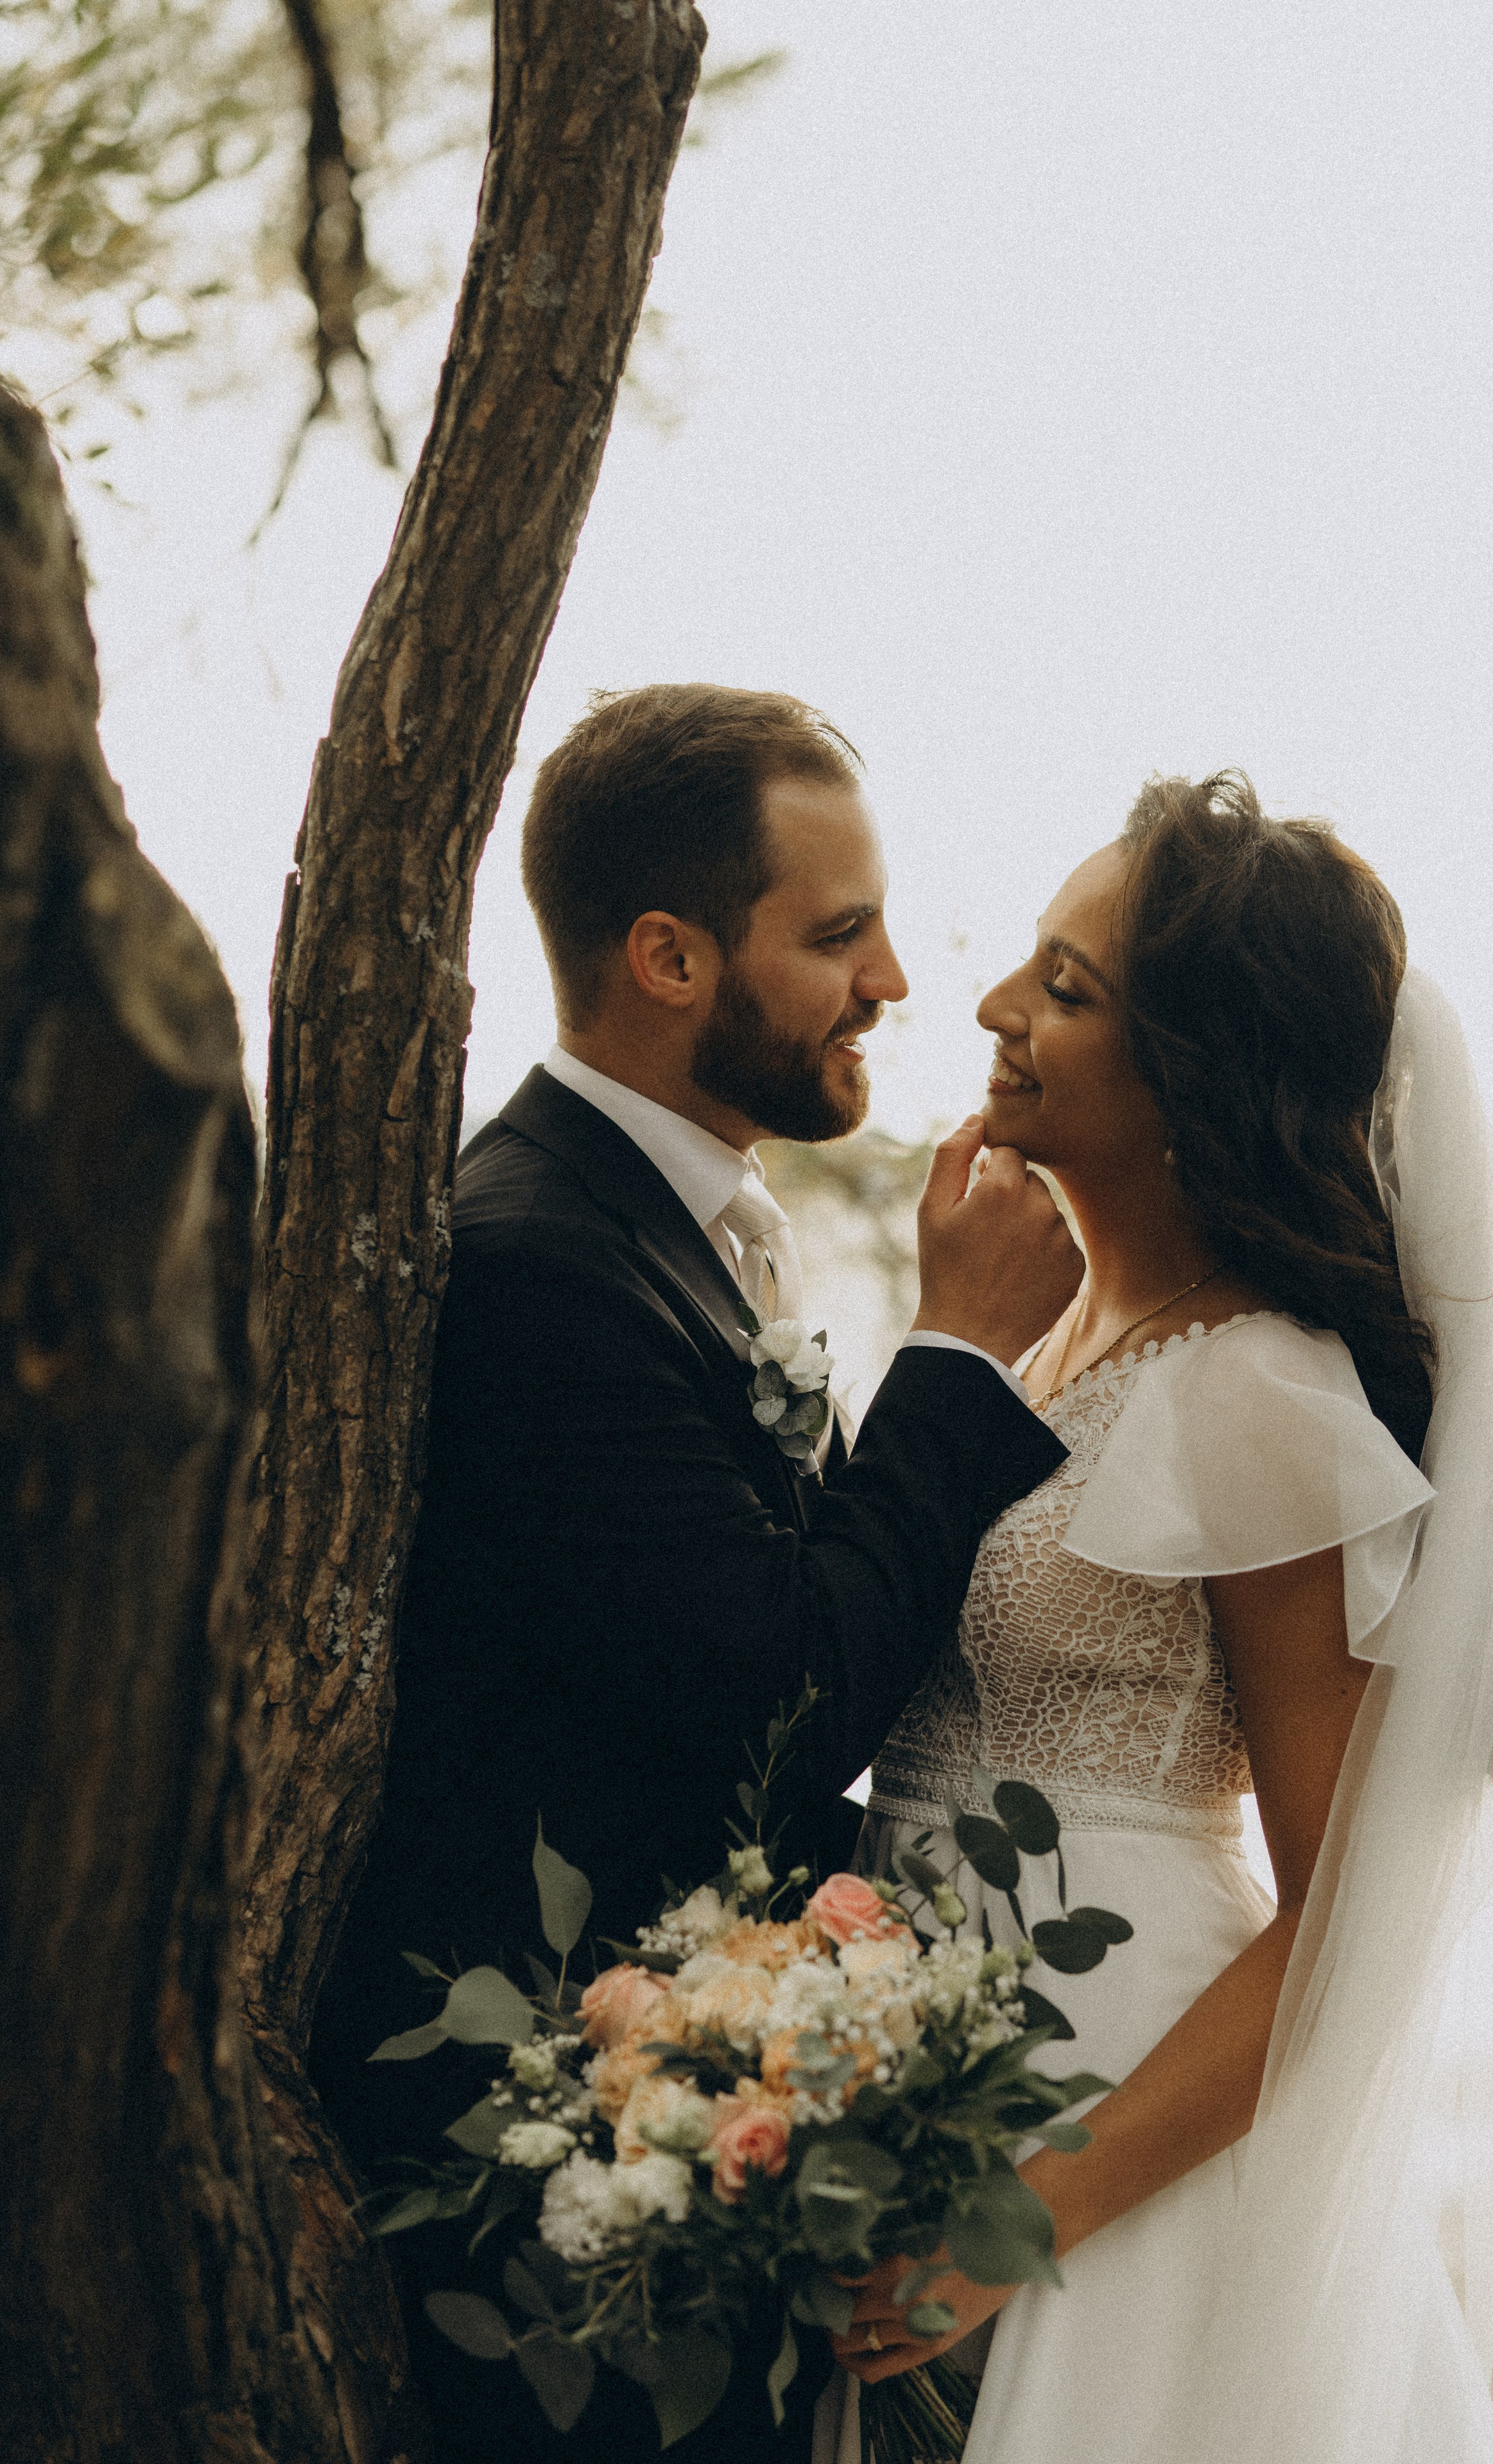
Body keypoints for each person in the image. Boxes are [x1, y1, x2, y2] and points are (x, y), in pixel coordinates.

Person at [308, 683, 1083, 2463]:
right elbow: (778, 1694)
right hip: (567, 2213)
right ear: (667, 955)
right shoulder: (535, 1264)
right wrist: (954, 1361)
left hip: (693, 2139)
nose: (893, 977)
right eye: (837, 934)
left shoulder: (660, 1222)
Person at [822, 771, 1493, 2463]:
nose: (994, 1008)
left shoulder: (1254, 1391)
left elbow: (1349, 1918)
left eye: (1067, 988)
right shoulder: (1032, 1354)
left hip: (1127, 2130)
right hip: (917, 2083)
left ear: (1193, 1073)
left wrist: (1026, 2216)